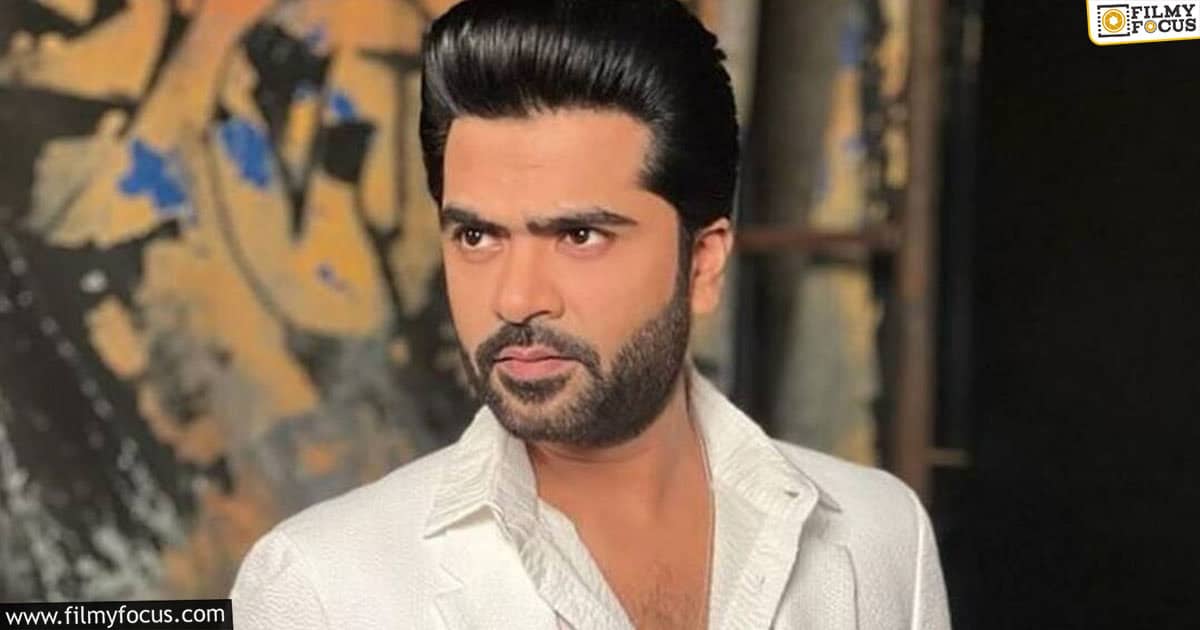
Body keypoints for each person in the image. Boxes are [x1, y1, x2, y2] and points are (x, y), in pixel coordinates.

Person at [230, 0, 951, 628]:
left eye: (579, 236)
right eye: (477, 236)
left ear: (702, 264)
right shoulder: (321, 585)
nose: (516, 299)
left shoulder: (882, 534)